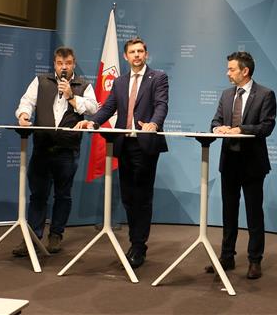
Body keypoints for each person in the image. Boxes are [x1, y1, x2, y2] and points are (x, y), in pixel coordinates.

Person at [75, 37, 168, 269]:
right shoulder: (119, 82)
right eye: (132, 52)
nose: (136, 55)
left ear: (146, 54)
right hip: (124, 144)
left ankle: (139, 245)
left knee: (142, 198)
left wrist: (154, 124)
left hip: (145, 145)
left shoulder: (158, 77)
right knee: (128, 197)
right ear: (125, 57)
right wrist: (93, 123)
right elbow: (108, 107)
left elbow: (161, 105)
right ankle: (135, 241)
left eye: (140, 51)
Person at [13, 46, 98, 256]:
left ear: (74, 64)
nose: (64, 67)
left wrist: (71, 96)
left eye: (68, 63)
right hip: (42, 148)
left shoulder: (83, 85)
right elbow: (27, 101)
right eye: (60, 63)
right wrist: (23, 115)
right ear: (54, 64)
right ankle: (32, 239)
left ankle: (56, 235)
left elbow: (94, 108)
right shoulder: (41, 81)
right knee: (38, 195)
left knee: (63, 195)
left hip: (67, 150)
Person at [207, 51, 276, 280]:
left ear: (245, 71)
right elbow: (216, 120)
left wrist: (240, 129)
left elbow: (266, 126)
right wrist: (218, 129)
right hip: (229, 163)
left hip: (253, 164)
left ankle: (255, 261)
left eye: (231, 69)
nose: (227, 73)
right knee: (229, 213)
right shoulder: (227, 95)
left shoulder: (265, 94)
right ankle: (227, 257)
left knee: (254, 214)